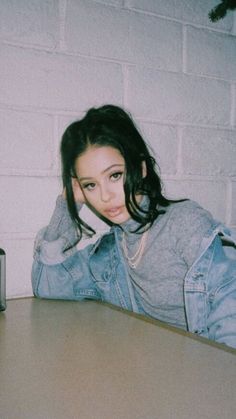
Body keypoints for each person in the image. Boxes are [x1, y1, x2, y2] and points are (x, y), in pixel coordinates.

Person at [32, 104, 236, 349]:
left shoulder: (184, 223)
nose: (105, 196)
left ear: (140, 168)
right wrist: (66, 207)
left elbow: (230, 312)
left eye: (114, 175)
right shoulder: (112, 251)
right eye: (90, 185)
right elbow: (48, 286)